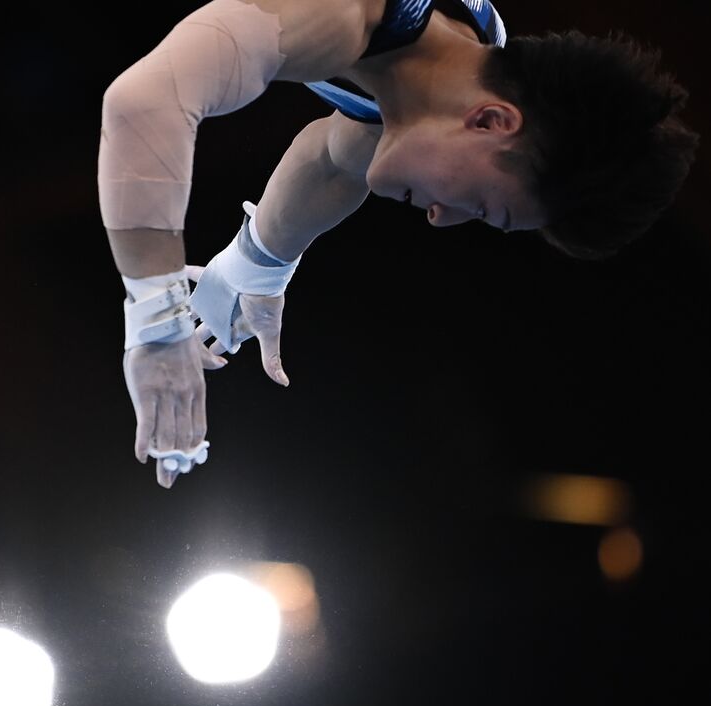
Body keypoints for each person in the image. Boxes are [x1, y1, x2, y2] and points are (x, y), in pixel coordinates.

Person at [98, 0, 698, 488]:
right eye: (483, 209)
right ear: (492, 122)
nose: (441, 219)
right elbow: (143, 103)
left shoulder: (456, 52)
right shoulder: (341, 15)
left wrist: (258, 262)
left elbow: (338, 157)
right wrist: (158, 319)